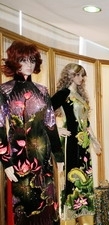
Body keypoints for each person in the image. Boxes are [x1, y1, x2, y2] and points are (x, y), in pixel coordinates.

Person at [0, 40, 62, 225]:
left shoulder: (42, 91)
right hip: (19, 157)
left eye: (32, 60)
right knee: (26, 204)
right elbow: (0, 127)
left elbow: (50, 124)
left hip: (44, 156)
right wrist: (6, 161)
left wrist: (58, 156)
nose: (29, 65)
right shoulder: (5, 90)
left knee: (48, 200)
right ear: (14, 61)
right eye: (23, 60)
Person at [51, 63, 101, 225]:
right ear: (69, 75)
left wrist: (94, 140)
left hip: (84, 145)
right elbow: (45, 113)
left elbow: (85, 122)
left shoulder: (80, 95)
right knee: (72, 181)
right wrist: (57, 129)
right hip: (71, 142)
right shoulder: (63, 94)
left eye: (82, 75)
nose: (80, 78)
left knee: (85, 178)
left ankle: (85, 218)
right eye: (77, 75)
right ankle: (70, 220)